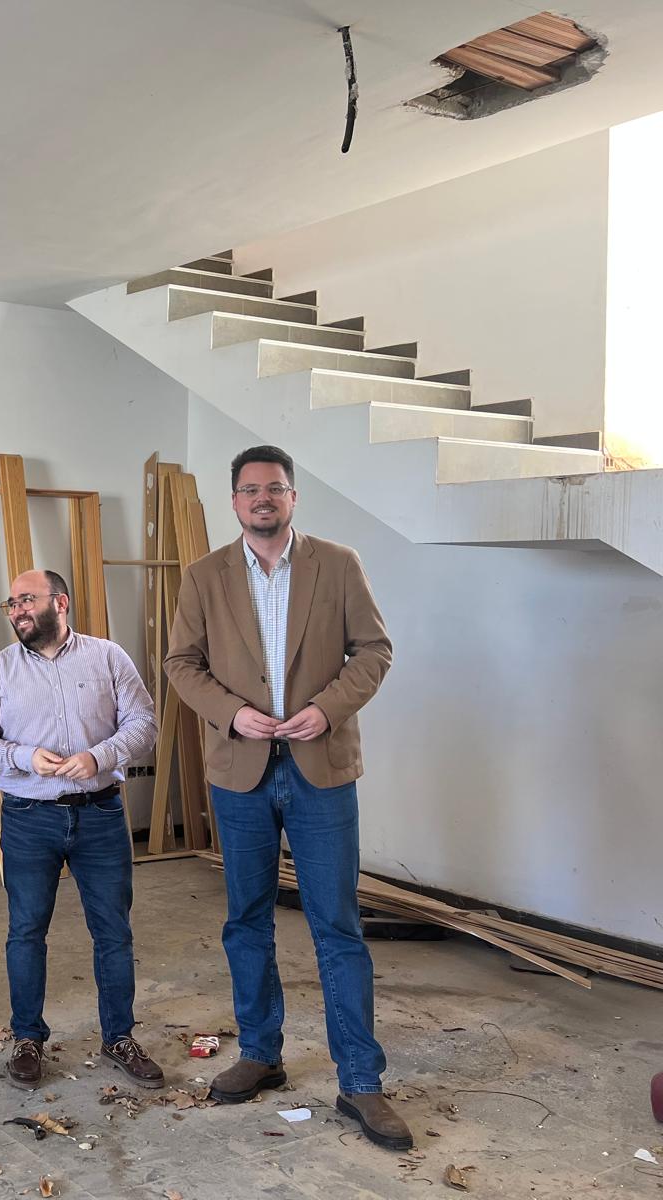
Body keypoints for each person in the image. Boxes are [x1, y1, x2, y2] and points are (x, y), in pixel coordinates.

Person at [164, 445, 410, 1151]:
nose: (262, 500)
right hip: (239, 768)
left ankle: (361, 1081)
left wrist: (328, 709)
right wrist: (231, 713)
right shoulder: (204, 576)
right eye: (249, 491)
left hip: (319, 766)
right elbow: (181, 663)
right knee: (246, 919)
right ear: (234, 501)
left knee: (336, 925)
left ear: (293, 497)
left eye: (274, 489)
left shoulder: (338, 565)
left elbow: (374, 651)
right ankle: (261, 1053)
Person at [0, 569, 160, 1092]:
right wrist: (25, 758)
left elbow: (144, 723)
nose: (18, 610)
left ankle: (119, 1036)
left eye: (28, 599)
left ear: (61, 602)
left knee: (113, 932)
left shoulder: (108, 657)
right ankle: (28, 1039)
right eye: (11, 604)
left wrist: (99, 757)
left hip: (100, 814)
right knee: (26, 931)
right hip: (29, 818)